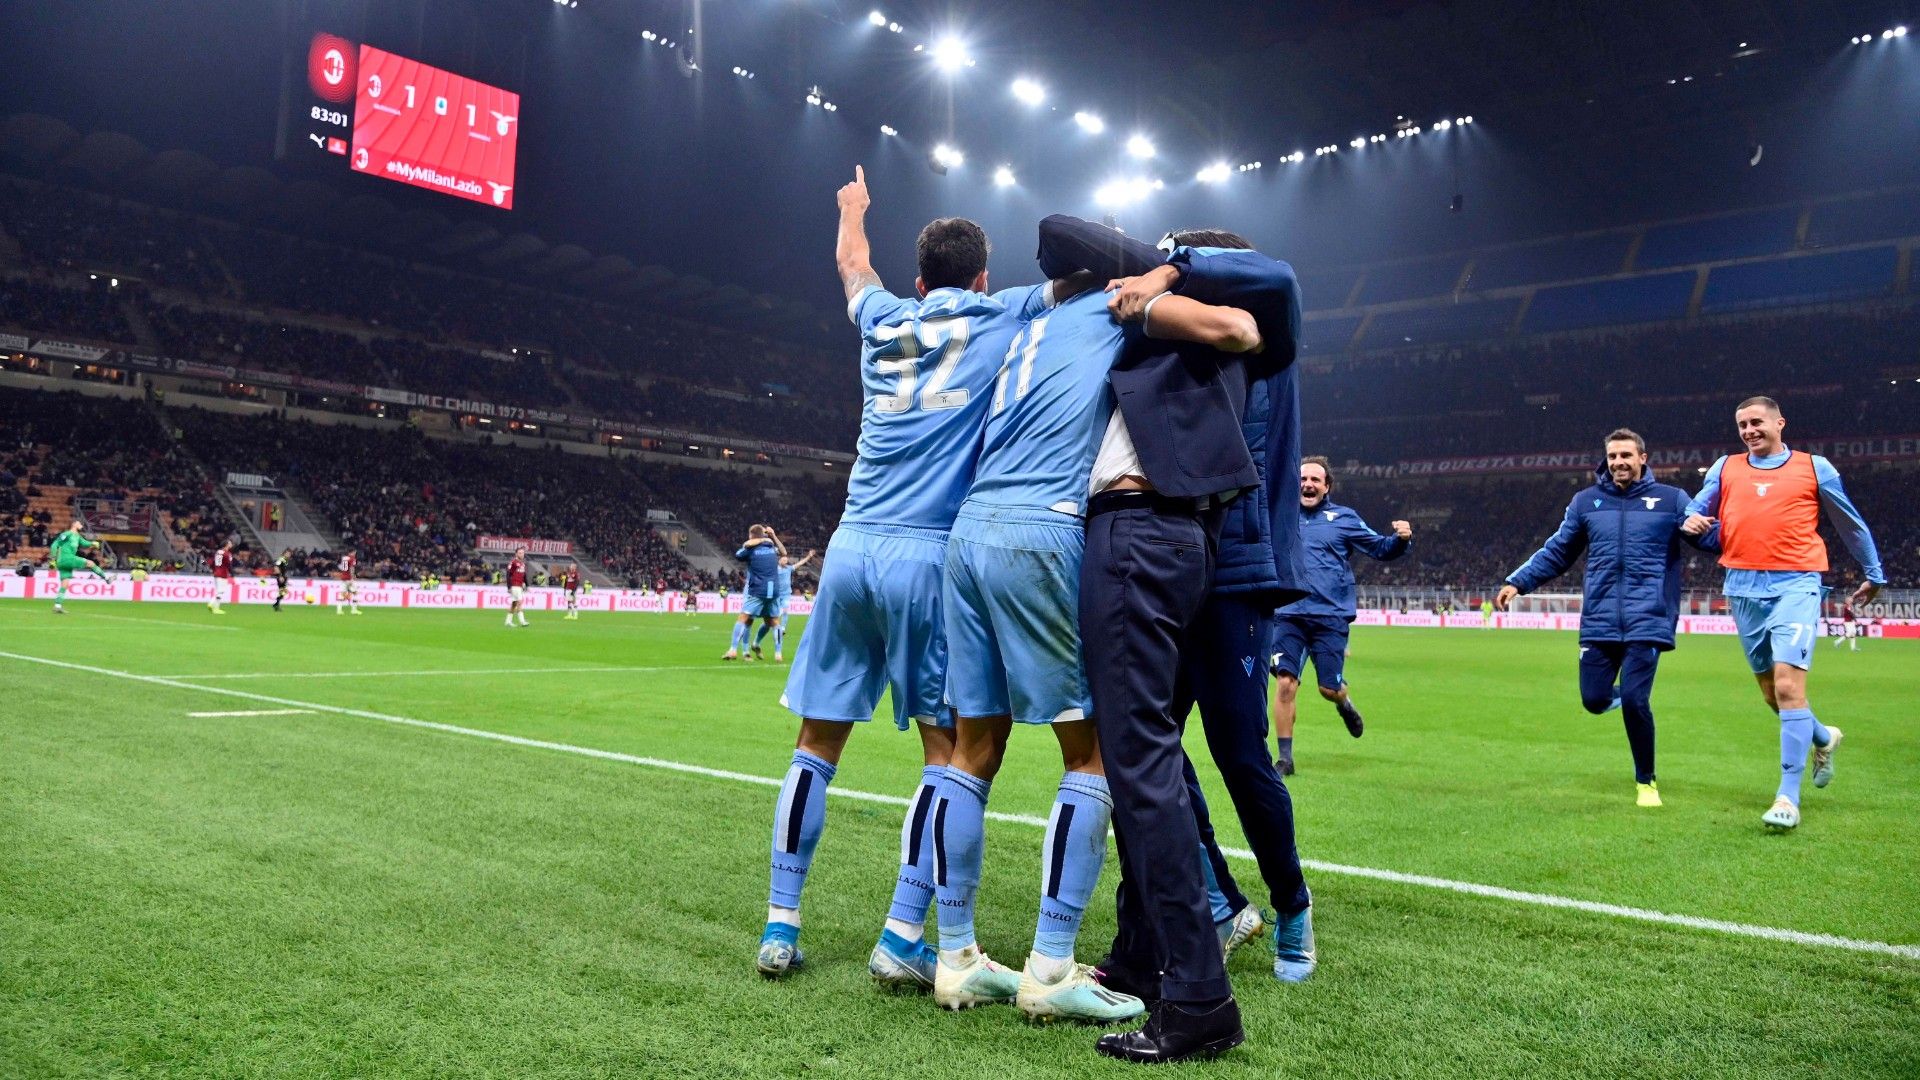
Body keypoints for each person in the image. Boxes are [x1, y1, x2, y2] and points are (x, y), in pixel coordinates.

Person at [929, 228, 1267, 1022]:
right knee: (1096, 755)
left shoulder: (1023, 321)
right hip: (1043, 529)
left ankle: (954, 957)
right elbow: (1237, 331)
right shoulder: (1114, 309)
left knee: (970, 750)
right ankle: (1050, 968)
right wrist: (1162, 284)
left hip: (968, 533)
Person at [759, 166, 1078, 987]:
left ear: (919, 278)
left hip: (851, 547)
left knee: (815, 745)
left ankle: (780, 923)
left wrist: (853, 208)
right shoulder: (1004, 312)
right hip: (930, 558)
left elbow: (851, 267)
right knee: (949, 754)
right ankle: (902, 935)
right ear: (979, 276)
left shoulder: (883, 317)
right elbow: (1072, 287)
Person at [1036, 217, 1305, 1063]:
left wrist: (1161, 271)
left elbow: (1058, 230)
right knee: (1155, 759)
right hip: (1177, 540)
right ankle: (1147, 958)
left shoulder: (1226, 320)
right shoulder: (1204, 343)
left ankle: (1198, 997)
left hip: (1139, 530)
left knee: (1143, 761)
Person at [1681, 396, 1884, 830]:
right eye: (1742, 425)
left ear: (1779, 423)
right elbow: (1697, 506)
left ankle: (1788, 798)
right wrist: (1692, 518)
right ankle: (1824, 737)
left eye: (1756, 422)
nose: (1749, 430)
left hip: (1797, 583)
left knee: (1790, 686)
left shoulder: (1815, 468)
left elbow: (1850, 522)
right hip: (1741, 586)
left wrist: (1874, 572)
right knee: (1773, 695)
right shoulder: (1725, 466)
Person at [1497, 429, 1718, 807]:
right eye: (1613, 456)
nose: (1618, 462)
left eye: (1626, 455)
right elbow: (1558, 551)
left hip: (1648, 617)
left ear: (1643, 458)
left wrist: (1703, 527)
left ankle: (1646, 782)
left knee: (1635, 700)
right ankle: (1616, 703)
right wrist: (1518, 581)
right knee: (1594, 699)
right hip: (1599, 618)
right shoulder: (1586, 502)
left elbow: (1711, 542)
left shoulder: (1671, 500)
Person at [1268, 456, 1411, 775]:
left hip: (1329, 616)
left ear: (1327, 486)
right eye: (1303, 479)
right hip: (1288, 613)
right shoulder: (1281, 516)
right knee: (1285, 684)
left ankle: (1343, 702)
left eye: (1315, 480)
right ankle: (1285, 759)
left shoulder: (1344, 518)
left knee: (1328, 689)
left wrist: (1401, 541)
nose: (1308, 484)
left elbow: (1379, 548)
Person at [725, 526, 786, 660]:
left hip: (758, 588)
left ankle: (733, 650)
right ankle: (778, 654)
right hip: (774, 590)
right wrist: (772, 537)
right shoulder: (771, 547)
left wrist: (749, 543)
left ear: (751, 535)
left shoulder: (750, 549)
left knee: (744, 618)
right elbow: (784, 552)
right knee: (774, 621)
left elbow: (738, 555)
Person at [48, 519, 111, 614]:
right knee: (90, 563)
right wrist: (52, 559)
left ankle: (57, 606)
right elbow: (55, 544)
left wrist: (93, 543)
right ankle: (106, 578)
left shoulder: (77, 536)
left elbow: (85, 543)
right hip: (66, 558)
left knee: (65, 584)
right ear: (74, 524)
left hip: (64, 562)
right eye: (79, 523)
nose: (81, 524)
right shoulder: (68, 534)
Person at [763, 550, 816, 661]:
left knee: (786, 610)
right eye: (783, 558)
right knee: (775, 616)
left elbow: (799, 564)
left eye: (786, 559)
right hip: (776, 595)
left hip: (786, 594)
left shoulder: (788, 569)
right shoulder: (775, 569)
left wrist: (809, 556)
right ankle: (766, 636)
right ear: (779, 560)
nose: (785, 560)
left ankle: (783, 628)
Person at [504, 547, 530, 627]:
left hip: (519, 586)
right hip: (515, 585)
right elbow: (508, 575)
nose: (522, 554)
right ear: (516, 554)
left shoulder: (522, 564)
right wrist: (509, 587)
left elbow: (524, 575)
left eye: (522, 553)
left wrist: (527, 585)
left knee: (514, 604)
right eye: (520, 553)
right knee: (519, 603)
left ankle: (508, 621)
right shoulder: (513, 563)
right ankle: (522, 622)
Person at [208, 539, 234, 614]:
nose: (231, 544)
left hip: (216, 573)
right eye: (230, 543)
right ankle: (211, 603)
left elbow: (212, 563)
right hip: (223, 574)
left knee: (219, 591)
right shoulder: (227, 554)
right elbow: (229, 565)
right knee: (221, 591)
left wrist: (214, 570)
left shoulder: (218, 552)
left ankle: (216, 609)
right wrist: (232, 575)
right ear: (226, 544)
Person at [334, 549, 361, 615]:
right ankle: (354, 610)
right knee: (355, 593)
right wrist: (352, 578)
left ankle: (339, 610)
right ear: (352, 552)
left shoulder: (344, 558)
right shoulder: (352, 558)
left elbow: (342, 567)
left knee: (342, 594)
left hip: (343, 578)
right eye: (355, 552)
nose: (355, 553)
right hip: (349, 578)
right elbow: (351, 568)